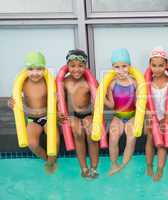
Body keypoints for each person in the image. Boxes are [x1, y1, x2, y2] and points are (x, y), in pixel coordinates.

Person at [8, 52, 59, 174]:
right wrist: (11, 102)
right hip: (33, 119)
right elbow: (15, 98)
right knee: (32, 144)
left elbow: (57, 101)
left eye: (39, 69)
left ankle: (53, 161)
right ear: (26, 69)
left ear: (44, 69)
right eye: (31, 69)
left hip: (49, 117)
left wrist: (57, 107)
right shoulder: (23, 83)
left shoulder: (48, 82)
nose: (35, 73)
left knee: (55, 141)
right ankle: (47, 160)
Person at [58, 49, 99, 178]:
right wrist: (58, 113)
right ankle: (84, 168)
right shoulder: (64, 82)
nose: (76, 69)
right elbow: (58, 99)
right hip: (73, 115)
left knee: (91, 134)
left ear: (85, 66)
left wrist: (95, 116)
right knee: (78, 133)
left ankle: (94, 167)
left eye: (80, 66)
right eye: (73, 66)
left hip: (88, 114)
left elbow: (97, 99)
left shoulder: (89, 82)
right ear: (67, 66)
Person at [145, 47, 168, 181]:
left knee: (162, 142)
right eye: (154, 65)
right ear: (149, 65)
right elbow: (140, 99)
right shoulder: (147, 82)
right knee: (150, 139)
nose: (157, 69)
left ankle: (160, 168)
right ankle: (149, 165)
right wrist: (146, 111)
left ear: (166, 65)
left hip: (166, 116)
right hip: (152, 115)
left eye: (161, 65)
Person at [104, 48, 138, 176]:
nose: (121, 70)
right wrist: (102, 99)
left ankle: (123, 164)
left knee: (131, 138)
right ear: (113, 68)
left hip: (131, 116)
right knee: (112, 139)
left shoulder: (134, 83)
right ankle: (114, 164)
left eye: (124, 66)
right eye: (117, 67)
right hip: (118, 116)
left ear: (130, 66)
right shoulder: (112, 84)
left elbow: (136, 105)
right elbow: (112, 105)